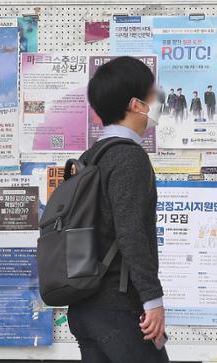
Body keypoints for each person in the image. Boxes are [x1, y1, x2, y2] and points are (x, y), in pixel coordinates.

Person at [68, 56, 168, 363]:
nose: (158, 99)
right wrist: (153, 299)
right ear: (136, 104)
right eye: (153, 94)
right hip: (117, 308)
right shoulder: (129, 158)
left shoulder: (91, 155)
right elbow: (131, 233)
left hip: (85, 305)